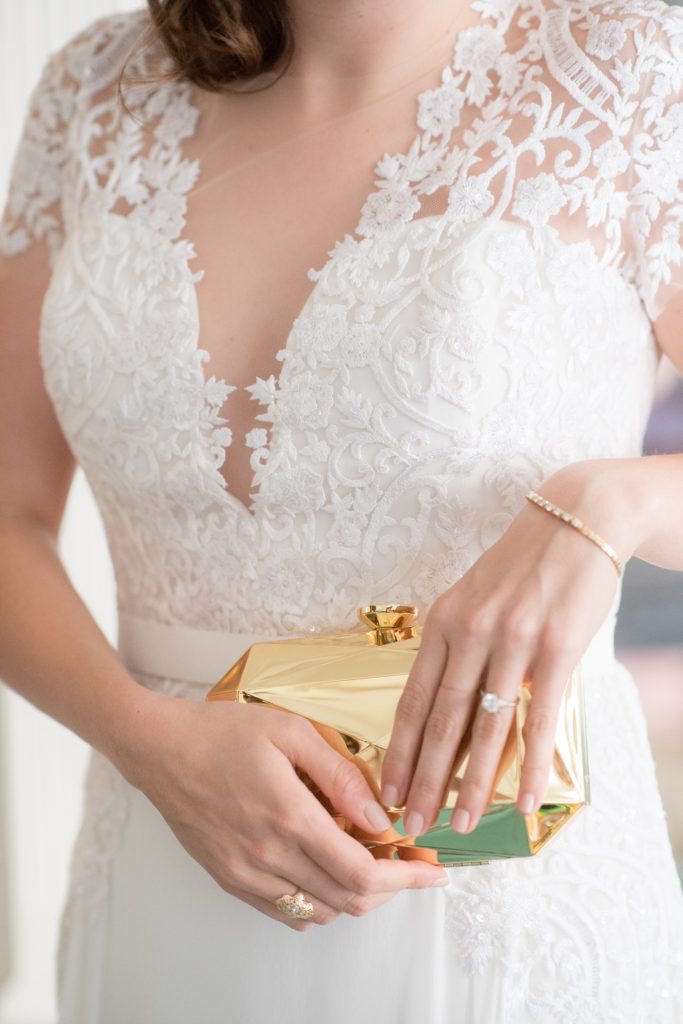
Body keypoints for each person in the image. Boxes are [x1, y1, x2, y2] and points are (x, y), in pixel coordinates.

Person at [1, 0, 682, 1019]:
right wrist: (145, 739)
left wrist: (609, 501)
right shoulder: (93, 89)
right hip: (160, 872)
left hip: (503, 904)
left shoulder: (633, 68)